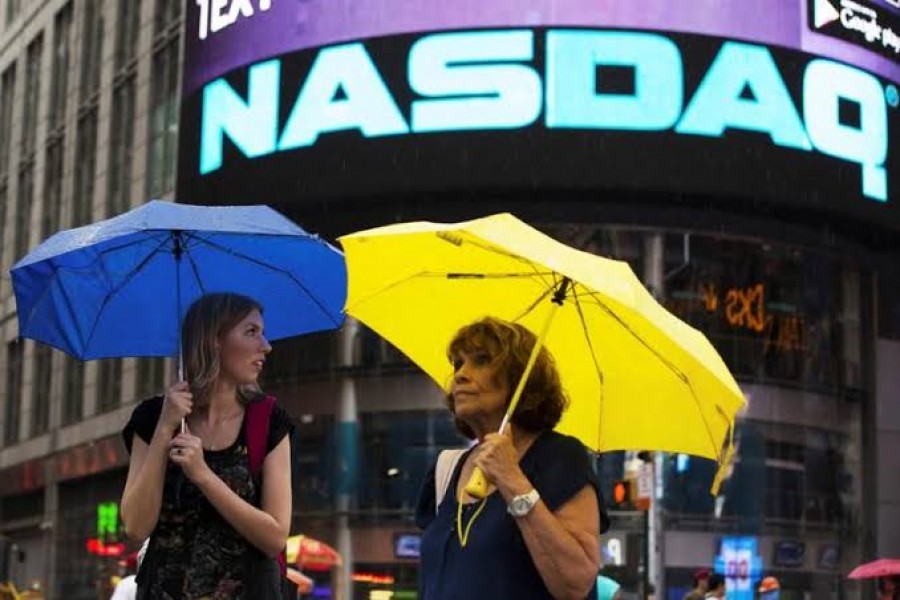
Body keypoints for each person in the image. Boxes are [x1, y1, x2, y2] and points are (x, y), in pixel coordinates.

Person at [415, 317, 609, 600]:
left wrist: (512, 480)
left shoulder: (559, 459)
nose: (460, 375)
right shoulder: (447, 468)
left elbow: (575, 584)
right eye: (458, 364)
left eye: (481, 361)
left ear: (520, 379)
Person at [120, 293, 293, 599]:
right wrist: (164, 429)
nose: (266, 345)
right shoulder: (152, 418)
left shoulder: (268, 421)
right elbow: (135, 526)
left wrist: (202, 474)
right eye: (251, 332)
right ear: (214, 339)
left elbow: (275, 538)